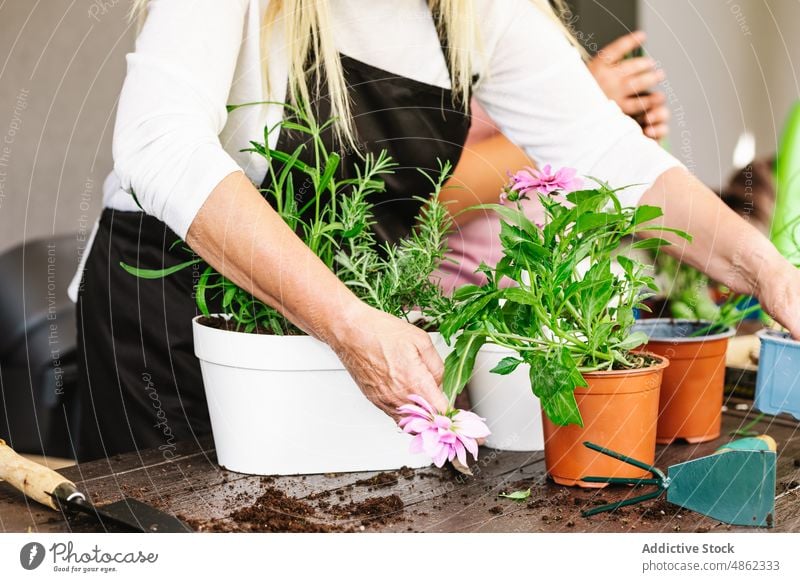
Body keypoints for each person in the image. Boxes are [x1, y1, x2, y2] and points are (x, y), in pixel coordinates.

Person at [71, 0, 800, 461]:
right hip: (163, 328)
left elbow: (612, 155)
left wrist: (768, 271)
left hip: (341, 329)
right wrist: (350, 326)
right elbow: (156, 143)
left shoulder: (477, 11)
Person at [438, 30, 671, 291]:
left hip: (555, 301)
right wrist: (578, 113)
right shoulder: (435, 52)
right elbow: (434, 199)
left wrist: (616, 138)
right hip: (459, 307)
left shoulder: (534, 38)